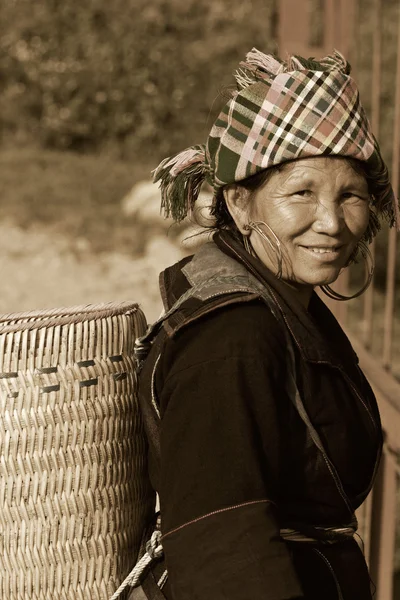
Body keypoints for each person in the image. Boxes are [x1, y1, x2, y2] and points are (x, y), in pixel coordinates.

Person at [136, 49, 399, 600]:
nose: (330, 222)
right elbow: (223, 546)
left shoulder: (281, 306)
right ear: (240, 202)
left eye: (349, 195)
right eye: (301, 192)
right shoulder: (232, 339)